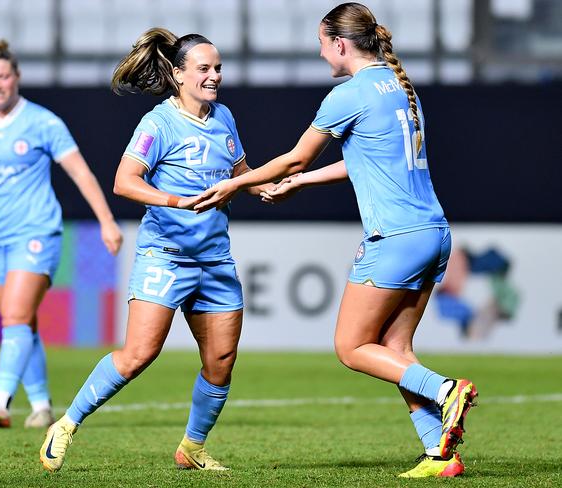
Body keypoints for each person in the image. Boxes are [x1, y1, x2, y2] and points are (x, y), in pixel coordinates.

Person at [194, 2, 478, 479]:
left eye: (322, 44)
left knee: (351, 348)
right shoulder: (397, 85)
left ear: (340, 44)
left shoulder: (349, 94)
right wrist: (303, 184)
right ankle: (440, 455)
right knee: (396, 350)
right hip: (434, 234)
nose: (322, 53)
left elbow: (293, 158)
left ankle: (447, 390)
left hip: (395, 238)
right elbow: (364, 160)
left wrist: (234, 184)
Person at [39, 28, 268, 473]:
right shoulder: (158, 124)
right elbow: (124, 182)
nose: (215, 75)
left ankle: (192, 448)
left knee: (220, 363)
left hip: (215, 260)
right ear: (179, 74)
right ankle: (66, 423)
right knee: (138, 354)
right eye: (204, 68)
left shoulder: (224, 118)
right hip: (166, 254)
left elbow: (241, 172)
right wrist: (174, 200)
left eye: (218, 67)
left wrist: (267, 186)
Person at [0, 40, 123, 429]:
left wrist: (106, 220)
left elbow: (80, 172)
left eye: (3, 76)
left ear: (16, 78)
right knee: (22, 322)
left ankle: (0, 401)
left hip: (36, 232)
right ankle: (41, 405)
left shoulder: (43, 122)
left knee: (16, 315)